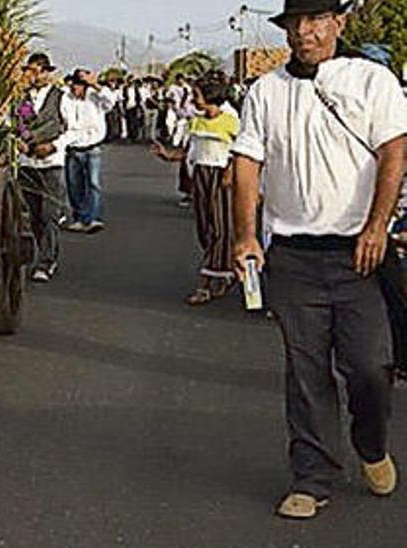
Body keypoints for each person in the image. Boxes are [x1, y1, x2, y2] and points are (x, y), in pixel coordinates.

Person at [231, 0, 407, 520]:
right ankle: (312, 476)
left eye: (315, 20)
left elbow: (394, 153)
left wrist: (378, 225)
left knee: (371, 367)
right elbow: (247, 163)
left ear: (338, 23)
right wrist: (246, 235)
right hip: (292, 255)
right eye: (295, 22)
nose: (304, 32)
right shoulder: (266, 91)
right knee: (306, 372)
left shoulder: (372, 80)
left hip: (359, 252)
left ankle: (370, 445)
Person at [152, 72, 240, 305]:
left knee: (221, 230)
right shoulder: (196, 122)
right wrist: (167, 155)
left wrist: (231, 172)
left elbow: (241, 153)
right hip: (201, 176)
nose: (193, 99)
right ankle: (222, 271)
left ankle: (205, 283)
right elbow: (188, 152)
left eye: (197, 95)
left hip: (221, 177)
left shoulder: (231, 121)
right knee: (205, 230)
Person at [14, 52, 69, 282]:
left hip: (50, 164)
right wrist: (20, 143)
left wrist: (54, 146)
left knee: (49, 214)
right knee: (34, 215)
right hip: (28, 163)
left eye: (38, 71)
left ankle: (47, 261)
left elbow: (72, 129)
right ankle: (42, 252)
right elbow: (18, 125)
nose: (34, 76)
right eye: (31, 71)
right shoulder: (22, 99)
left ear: (47, 73)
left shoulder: (60, 97)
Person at [62, 68, 118, 234]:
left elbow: (111, 101)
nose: (75, 88)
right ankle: (80, 217)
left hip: (92, 147)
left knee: (94, 184)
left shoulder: (95, 97)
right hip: (73, 147)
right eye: (74, 84)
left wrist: (96, 84)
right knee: (74, 185)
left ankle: (93, 218)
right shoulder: (66, 99)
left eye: (80, 85)